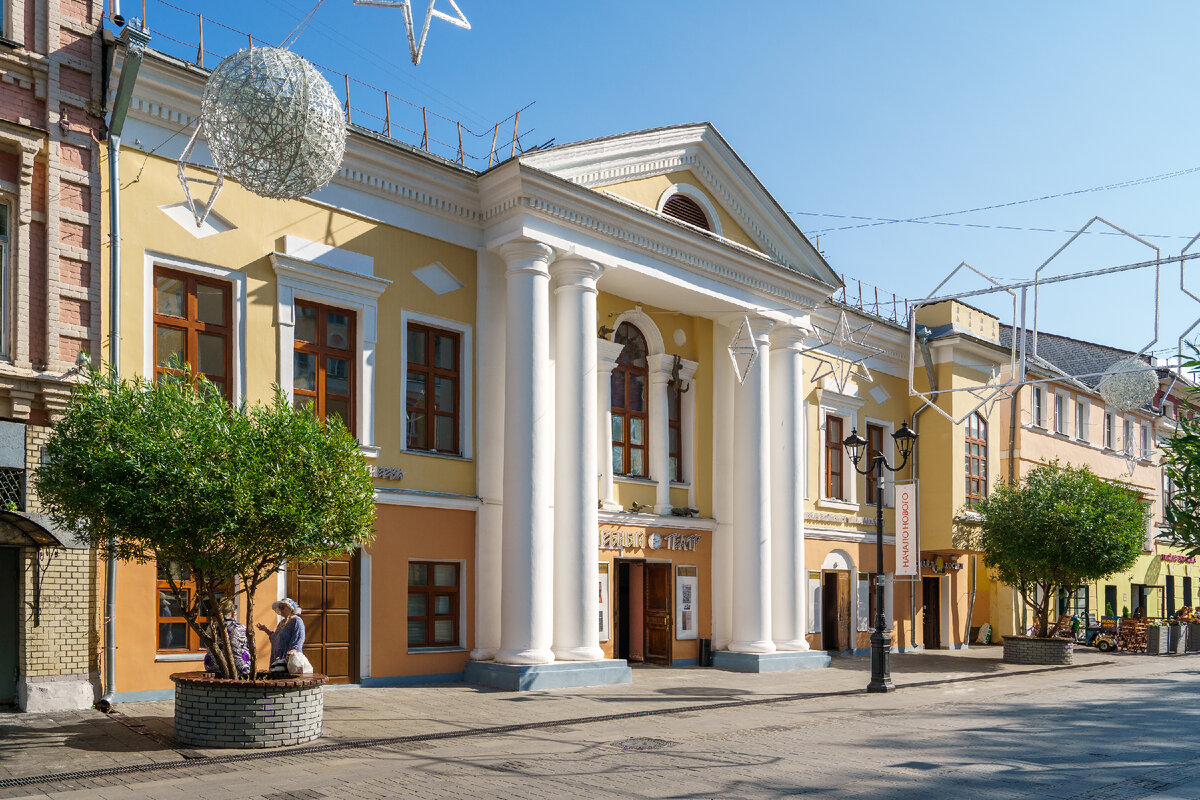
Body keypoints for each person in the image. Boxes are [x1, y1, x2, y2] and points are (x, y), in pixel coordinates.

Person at [204, 597, 251, 677]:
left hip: (213, 665)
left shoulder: (211, 627)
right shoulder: (240, 628)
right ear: (233, 613)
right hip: (238, 667)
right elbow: (248, 646)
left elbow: (206, 645)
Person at [258, 598, 306, 672]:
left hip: (287, 659)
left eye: (282, 607)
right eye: (279, 607)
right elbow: (276, 637)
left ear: (290, 608)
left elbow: (300, 637)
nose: (280, 609)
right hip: (277, 659)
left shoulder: (296, 621)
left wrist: (294, 649)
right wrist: (265, 629)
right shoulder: (281, 623)